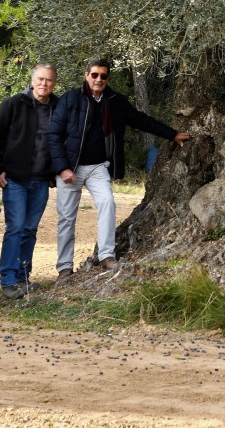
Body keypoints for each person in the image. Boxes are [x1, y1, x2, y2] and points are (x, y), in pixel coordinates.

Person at [48, 59, 190, 280]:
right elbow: (53, 135)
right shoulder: (70, 99)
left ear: (108, 79)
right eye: (94, 75)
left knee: (108, 203)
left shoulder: (116, 102)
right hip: (70, 167)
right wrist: (62, 168)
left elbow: (142, 121)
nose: (98, 80)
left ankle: (106, 256)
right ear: (87, 75)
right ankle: (64, 268)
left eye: (103, 76)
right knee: (66, 217)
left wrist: (172, 134)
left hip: (97, 167)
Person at [0, 64, 59, 298]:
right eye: (40, 79)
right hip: (15, 179)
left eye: (49, 80)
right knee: (15, 229)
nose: (44, 84)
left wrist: (54, 173)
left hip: (41, 181)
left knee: (30, 230)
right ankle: (8, 280)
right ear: (32, 80)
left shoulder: (58, 107)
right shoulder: (13, 104)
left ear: (54, 83)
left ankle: (23, 277)